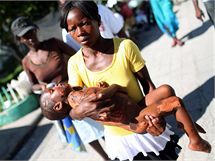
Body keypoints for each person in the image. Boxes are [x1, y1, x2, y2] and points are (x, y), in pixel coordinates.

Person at [59, 1, 184, 160]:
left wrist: (154, 115)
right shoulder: (75, 64)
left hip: (145, 124)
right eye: (72, 29)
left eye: (84, 24)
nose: (80, 32)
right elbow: (74, 109)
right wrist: (78, 111)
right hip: (119, 140)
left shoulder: (125, 47)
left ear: (98, 20)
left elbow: (149, 87)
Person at [10, 16, 109, 160]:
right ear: (20, 40)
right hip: (62, 101)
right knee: (85, 129)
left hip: (77, 90)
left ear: (36, 31)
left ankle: (115, 149)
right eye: (25, 36)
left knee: (101, 120)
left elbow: (78, 56)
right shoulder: (27, 62)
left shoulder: (53, 44)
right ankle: (106, 158)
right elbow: (33, 85)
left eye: (31, 32)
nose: (30, 38)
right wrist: (43, 87)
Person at [40, 82, 211, 153]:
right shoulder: (78, 102)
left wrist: (105, 88)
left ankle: (187, 125)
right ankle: (195, 141)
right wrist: (112, 87)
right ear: (58, 105)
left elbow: (107, 98)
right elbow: (101, 97)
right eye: (51, 91)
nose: (53, 86)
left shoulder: (77, 95)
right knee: (175, 102)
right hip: (136, 118)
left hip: (135, 107)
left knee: (166, 90)